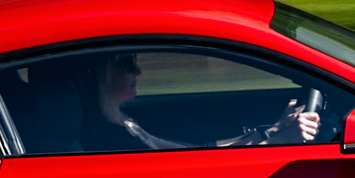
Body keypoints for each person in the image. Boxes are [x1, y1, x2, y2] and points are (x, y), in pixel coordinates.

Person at [94, 52, 321, 151]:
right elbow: (191, 174)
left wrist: (272, 131)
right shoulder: (112, 136)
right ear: (100, 75)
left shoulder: (121, 123)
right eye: (125, 63)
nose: (138, 70)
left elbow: (194, 153)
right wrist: (283, 140)